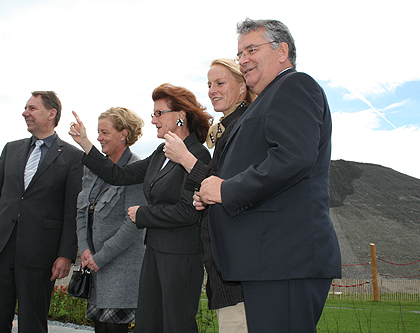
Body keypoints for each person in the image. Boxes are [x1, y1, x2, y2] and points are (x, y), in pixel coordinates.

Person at [194, 19, 342, 332]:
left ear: (281, 51)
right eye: (239, 53)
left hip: (285, 259)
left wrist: (226, 190)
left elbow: (292, 158)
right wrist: (211, 190)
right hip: (269, 262)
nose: (243, 59)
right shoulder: (264, 102)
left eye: (251, 49)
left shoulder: (295, 86)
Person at [69, 83, 213, 333]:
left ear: (180, 116)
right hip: (154, 253)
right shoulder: (161, 153)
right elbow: (118, 175)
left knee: (176, 325)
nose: (153, 120)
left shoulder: (197, 154)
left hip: (181, 258)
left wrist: (142, 214)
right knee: (149, 325)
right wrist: (85, 143)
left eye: (159, 113)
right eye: (153, 113)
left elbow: (188, 211)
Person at [0, 91, 83, 333]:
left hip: (39, 254)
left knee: (32, 323)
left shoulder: (74, 157)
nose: (25, 113)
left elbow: (72, 211)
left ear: (51, 113)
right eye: (25, 108)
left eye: (32, 108)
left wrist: (66, 254)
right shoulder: (11, 149)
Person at [163, 58, 256, 333]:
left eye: (220, 83)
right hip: (224, 269)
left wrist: (186, 159)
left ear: (242, 86)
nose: (212, 90)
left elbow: (236, 188)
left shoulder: (245, 126)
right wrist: (204, 196)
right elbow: (221, 186)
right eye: (208, 84)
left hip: (235, 269)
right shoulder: (228, 128)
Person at [76, 107, 147, 333]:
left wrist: (101, 257)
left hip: (120, 270)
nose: (99, 138)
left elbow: (134, 224)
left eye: (105, 133)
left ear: (124, 134)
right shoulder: (93, 168)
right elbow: (81, 211)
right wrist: (84, 249)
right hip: (94, 266)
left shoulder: (136, 169)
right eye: (98, 132)